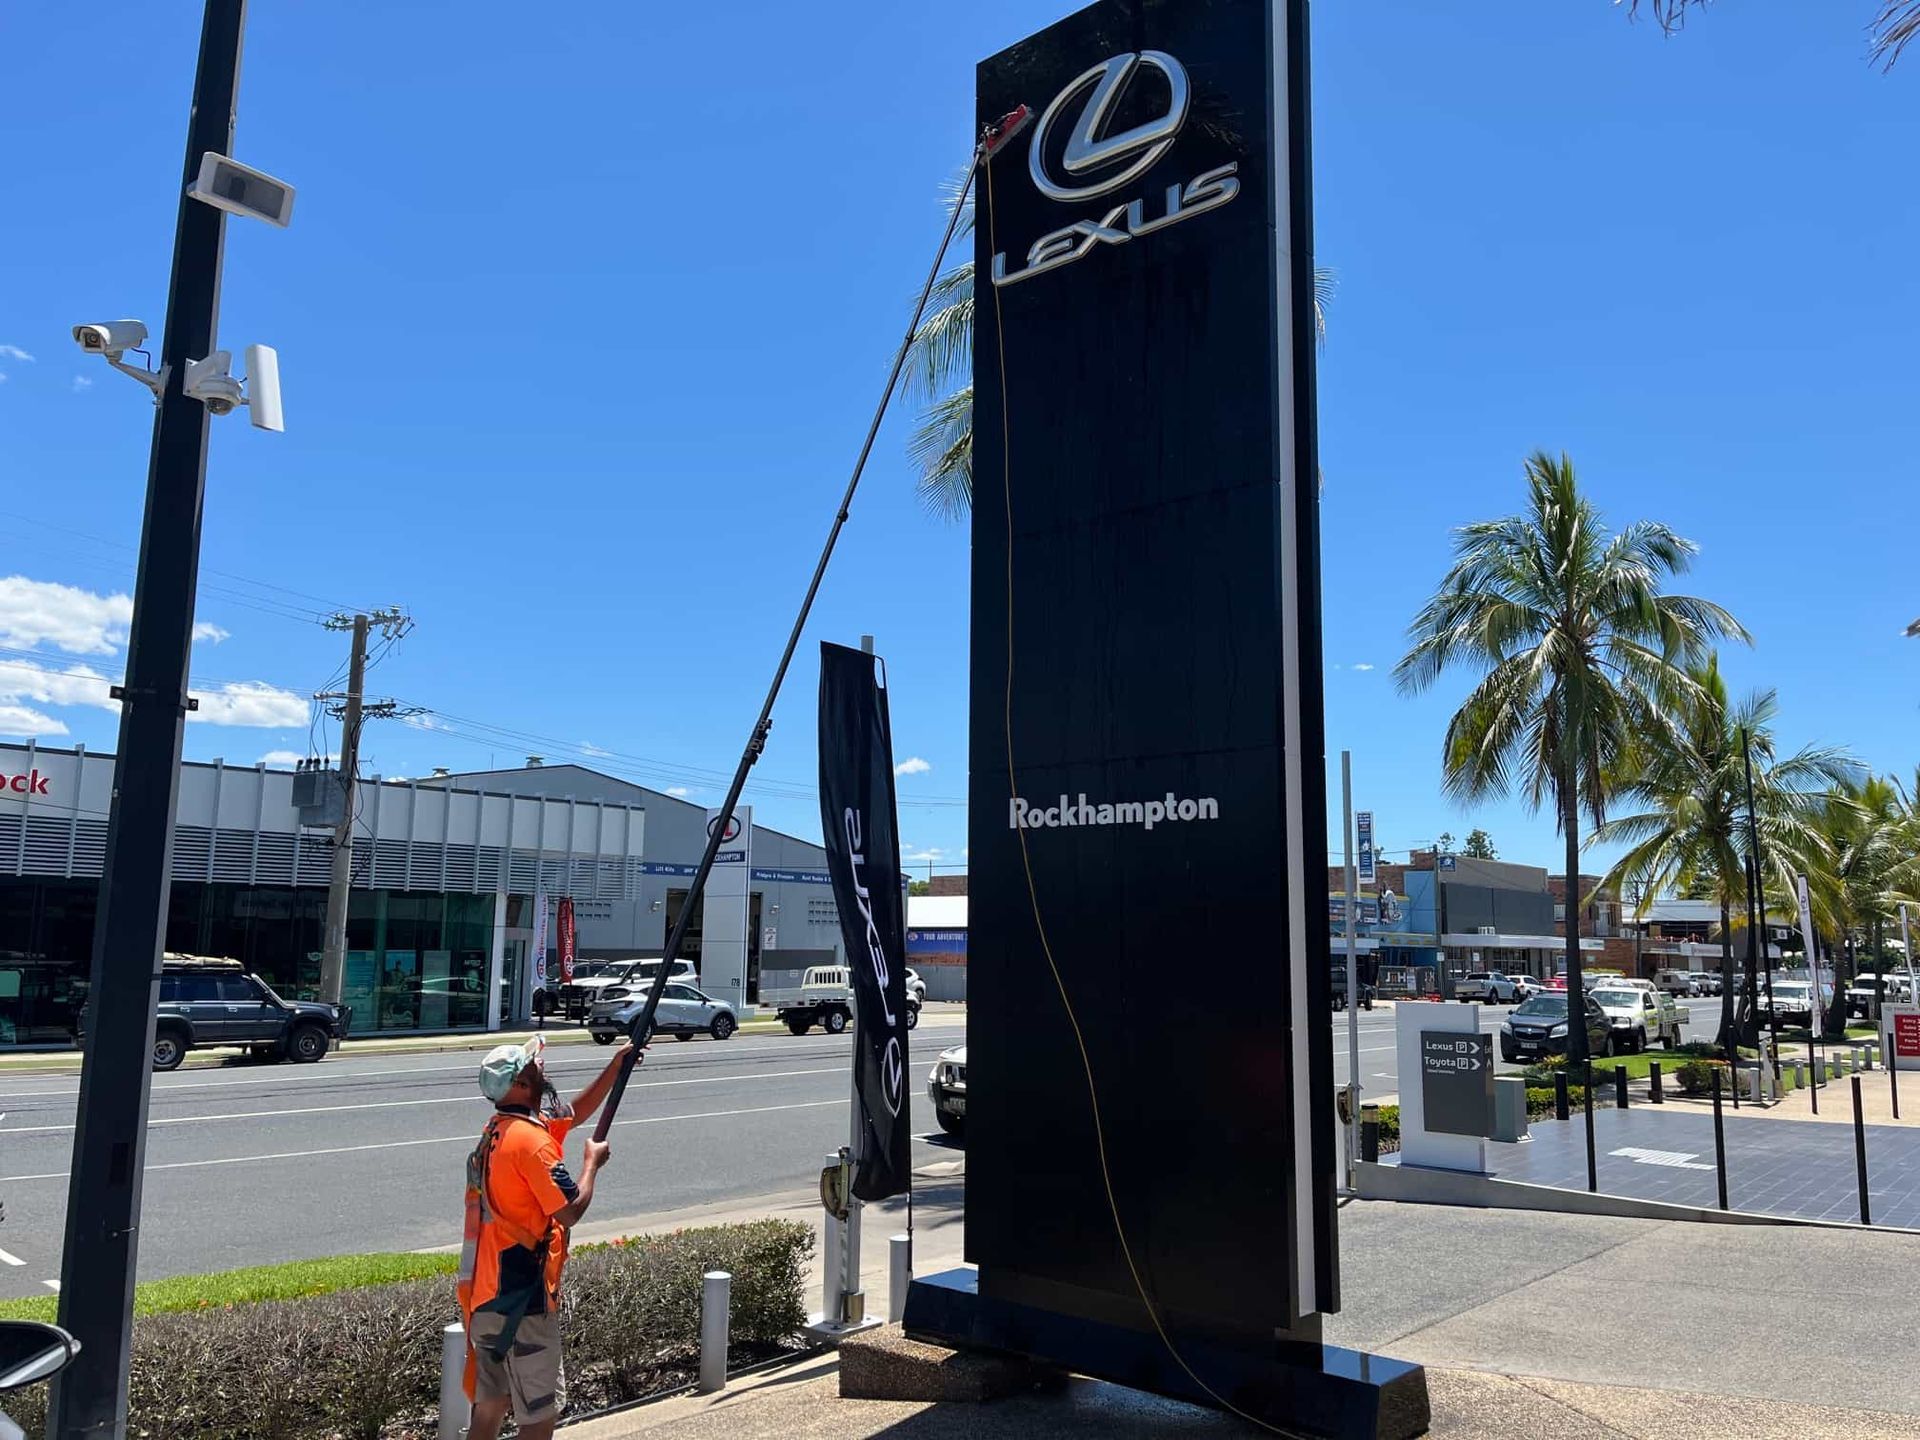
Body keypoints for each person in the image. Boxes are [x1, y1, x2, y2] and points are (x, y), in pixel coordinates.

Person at [458, 1033, 635, 1440]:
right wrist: (592, 1164)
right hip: (523, 1301)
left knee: (489, 1410)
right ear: (520, 1085)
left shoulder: (499, 1131)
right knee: (538, 1421)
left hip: (486, 1297)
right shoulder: (532, 1143)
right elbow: (569, 1211)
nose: (543, 1068)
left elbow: (574, 1112)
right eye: (534, 1066)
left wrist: (616, 1065)